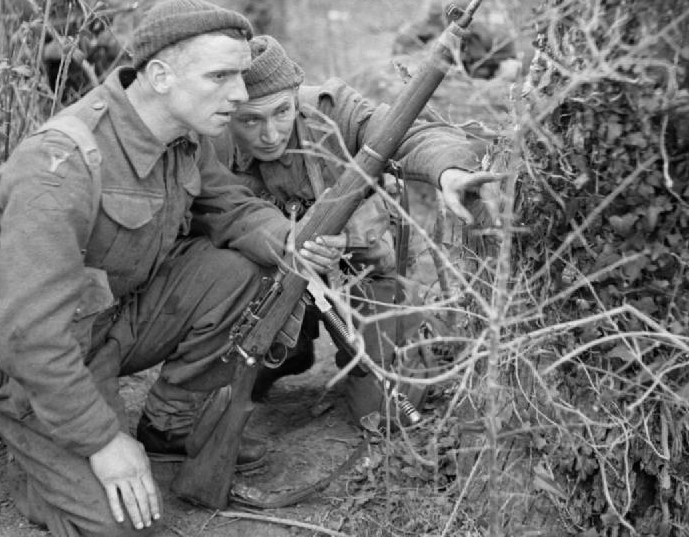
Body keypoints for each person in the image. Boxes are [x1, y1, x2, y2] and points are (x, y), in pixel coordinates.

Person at [0, 0, 345, 537]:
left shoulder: (184, 136)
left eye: (240, 76)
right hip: (33, 358)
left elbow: (231, 208)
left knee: (244, 270)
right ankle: (41, 467)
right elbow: (27, 337)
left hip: (113, 325)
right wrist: (102, 442)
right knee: (128, 525)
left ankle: (167, 427)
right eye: (221, 75)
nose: (239, 94)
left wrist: (291, 242)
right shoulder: (60, 168)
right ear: (162, 75)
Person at [212, 35, 497, 424]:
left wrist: (449, 170)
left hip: (360, 275)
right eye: (249, 120)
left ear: (296, 96)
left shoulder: (333, 110)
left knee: (383, 415)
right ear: (228, 111)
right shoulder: (210, 137)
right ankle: (291, 350)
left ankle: (412, 335)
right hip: (269, 287)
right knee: (217, 395)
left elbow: (411, 131)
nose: (270, 134)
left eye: (281, 112)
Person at [43, 0, 127, 101]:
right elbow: (16, 52)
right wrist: (46, 52)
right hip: (55, 95)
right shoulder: (40, 2)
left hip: (102, 89)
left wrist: (108, 41)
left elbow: (128, 43)